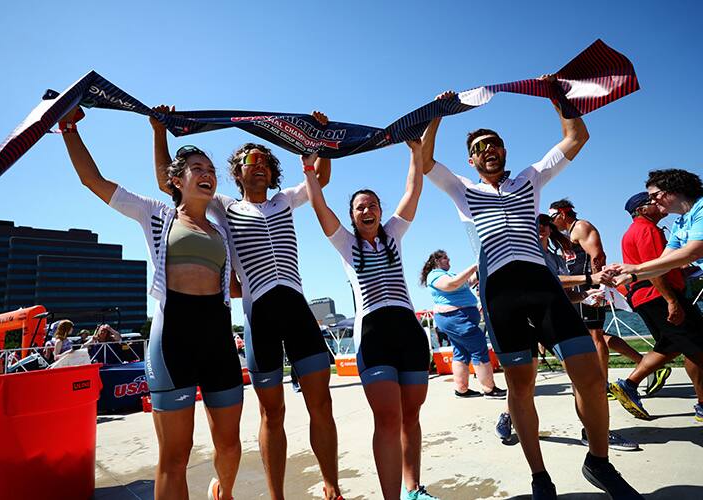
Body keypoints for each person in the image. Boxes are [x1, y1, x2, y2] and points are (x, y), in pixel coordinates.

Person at [421, 82, 642, 499]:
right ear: (471, 158)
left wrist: (557, 95)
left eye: (495, 144)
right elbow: (426, 159)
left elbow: (577, 136)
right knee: (522, 387)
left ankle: (598, 462)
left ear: (504, 151)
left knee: (591, 378)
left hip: (542, 288)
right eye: (481, 146)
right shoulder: (464, 191)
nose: (489, 150)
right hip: (500, 294)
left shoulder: (529, 179)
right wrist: (439, 112)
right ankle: (540, 477)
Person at [152, 107, 342, 499]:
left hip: (298, 311)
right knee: (272, 414)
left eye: (263, 163)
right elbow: (168, 183)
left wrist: (316, 140)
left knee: (321, 404)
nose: (256, 167)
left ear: (272, 172)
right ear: (236, 174)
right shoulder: (223, 207)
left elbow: (319, 176)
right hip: (260, 318)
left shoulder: (286, 200)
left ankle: (332, 487)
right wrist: (160, 132)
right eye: (246, 162)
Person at [61, 107, 243, 500]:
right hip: (173, 337)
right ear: (177, 180)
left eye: (210, 167)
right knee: (174, 459)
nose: (207, 173)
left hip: (218, 338)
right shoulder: (156, 214)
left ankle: (222, 493)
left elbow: (232, 285)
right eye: (197, 167)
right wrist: (68, 127)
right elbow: (93, 181)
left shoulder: (222, 226)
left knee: (229, 446)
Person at [306, 136, 437, 500]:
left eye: (373, 205)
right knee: (388, 419)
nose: (367, 210)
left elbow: (412, 192)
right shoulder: (346, 245)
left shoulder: (394, 234)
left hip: (409, 332)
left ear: (380, 211)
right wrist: (308, 169)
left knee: (411, 417)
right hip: (375, 335)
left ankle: (413, 489)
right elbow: (320, 208)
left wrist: (414, 153)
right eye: (360, 207)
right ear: (352, 216)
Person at [537, 215, 640, 452]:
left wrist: (585, 296)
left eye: (545, 222)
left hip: (559, 318)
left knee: (588, 380)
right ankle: (509, 416)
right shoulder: (528, 255)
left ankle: (595, 434)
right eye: (535, 222)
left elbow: (562, 290)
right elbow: (547, 281)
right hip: (531, 321)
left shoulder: (556, 257)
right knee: (522, 385)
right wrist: (589, 279)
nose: (541, 226)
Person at [609, 177, 703, 423]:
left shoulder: (635, 231)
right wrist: (671, 300)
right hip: (658, 295)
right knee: (696, 346)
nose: (656, 204)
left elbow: (659, 263)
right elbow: (657, 270)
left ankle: (629, 384)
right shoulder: (646, 230)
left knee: (672, 344)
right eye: (650, 201)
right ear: (641, 210)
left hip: (646, 296)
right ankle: (702, 405)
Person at [548, 200, 644, 393]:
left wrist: (600, 287)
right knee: (595, 334)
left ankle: (603, 384)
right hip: (577, 286)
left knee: (595, 336)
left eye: (552, 218)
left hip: (590, 285)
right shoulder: (564, 235)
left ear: (562, 214)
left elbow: (598, 256)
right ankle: (645, 363)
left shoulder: (581, 227)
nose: (551, 224)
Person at [420, 250, 506, 399]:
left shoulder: (449, 274)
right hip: (456, 317)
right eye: (445, 258)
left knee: (461, 352)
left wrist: (480, 271)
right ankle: (489, 388)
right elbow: (451, 285)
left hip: (456, 318)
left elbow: (465, 282)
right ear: (436, 261)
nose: (449, 261)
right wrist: (474, 267)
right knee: (479, 348)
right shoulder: (435, 275)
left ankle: (461, 389)